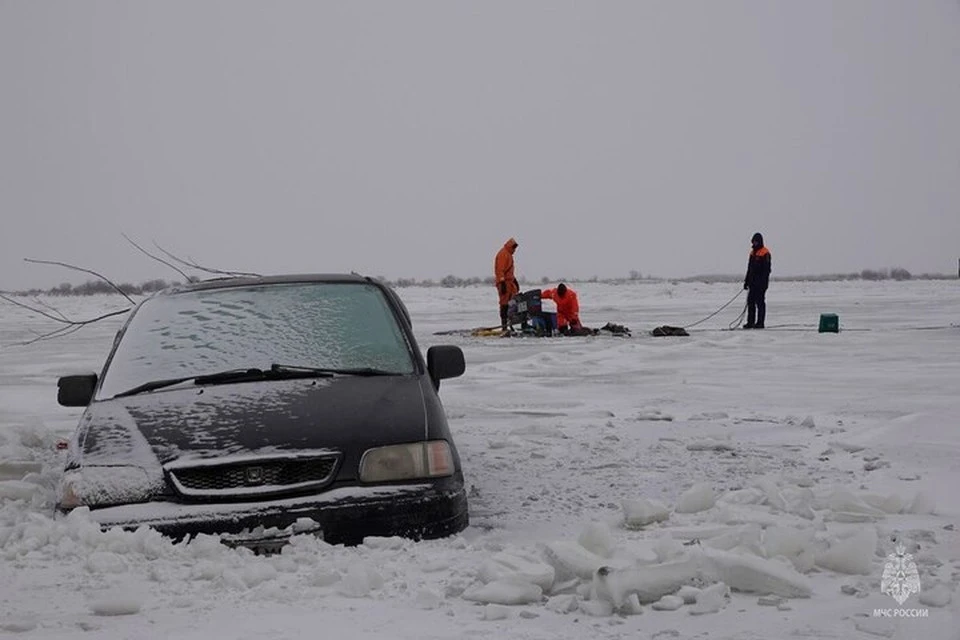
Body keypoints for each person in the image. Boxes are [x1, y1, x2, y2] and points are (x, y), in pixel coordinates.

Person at [743, 232, 771, 329]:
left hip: (761, 284)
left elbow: (766, 270)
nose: (754, 243)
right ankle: (750, 322)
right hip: (752, 283)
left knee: (760, 303)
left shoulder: (765, 252)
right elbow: (749, 269)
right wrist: (746, 282)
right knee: (750, 302)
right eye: (753, 241)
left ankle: (760, 323)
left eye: (756, 241)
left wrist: (762, 283)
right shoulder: (752, 253)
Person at [494, 238, 520, 330]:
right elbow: (500, 270)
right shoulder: (503, 254)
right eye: (514, 248)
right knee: (504, 304)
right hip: (504, 283)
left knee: (511, 303)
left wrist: (514, 280)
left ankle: (509, 324)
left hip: (509, 283)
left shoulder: (508, 254)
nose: (515, 251)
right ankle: (504, 325)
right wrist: (502, 282)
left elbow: (509, 271)